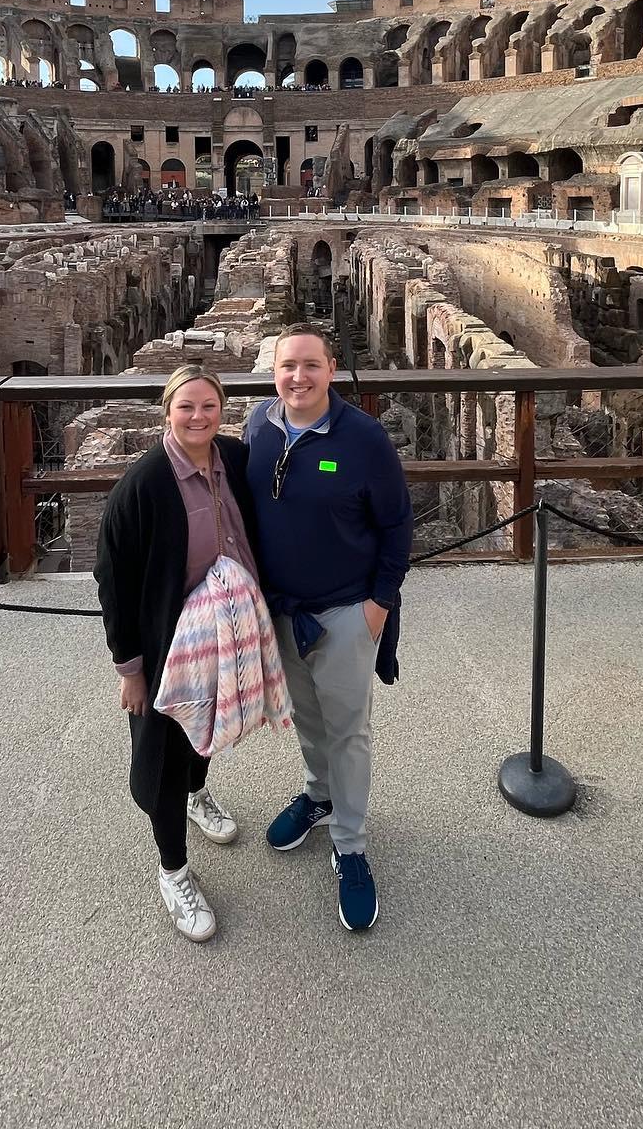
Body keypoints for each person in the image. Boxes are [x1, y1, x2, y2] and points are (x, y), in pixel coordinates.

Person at [245, 324, 413, 932]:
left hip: (345, 612)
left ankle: (351, 845)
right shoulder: (259, 426)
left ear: (331, 369)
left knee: (348, 730)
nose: (299, 377)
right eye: (289, 366)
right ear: (275, 373)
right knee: (308, 717)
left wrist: (379, 605)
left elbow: (397, 526)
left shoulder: (363, 439)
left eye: (311, 365)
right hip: (284, 609)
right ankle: (319, 795)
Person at [94, 365, 263, 944]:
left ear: (223, 412)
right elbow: (112, 579)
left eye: (209, 407)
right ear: (167, 412)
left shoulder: (234, 463)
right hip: (166, 641)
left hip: (228, 631)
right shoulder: (142, 484)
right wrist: (130, 669)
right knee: (160, 757)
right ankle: (174, 871)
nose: (198, 417)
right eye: (186, 407)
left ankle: (199, 793)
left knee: (210, 728)